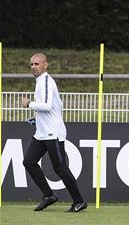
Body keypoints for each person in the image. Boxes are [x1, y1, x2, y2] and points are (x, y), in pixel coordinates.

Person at [22, 53, 87, 212]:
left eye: (37, 64)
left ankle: (79, 201)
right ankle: (49, 195)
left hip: (53, 133)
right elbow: (55, 107)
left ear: (45, 65)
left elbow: (47, 106)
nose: (33, 67)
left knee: (60, 169)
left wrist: (29, 103)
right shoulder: (40, 82)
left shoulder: (46, 81)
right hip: (42, 133)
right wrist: (37, 119)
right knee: (29, 162)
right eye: (31, 64)